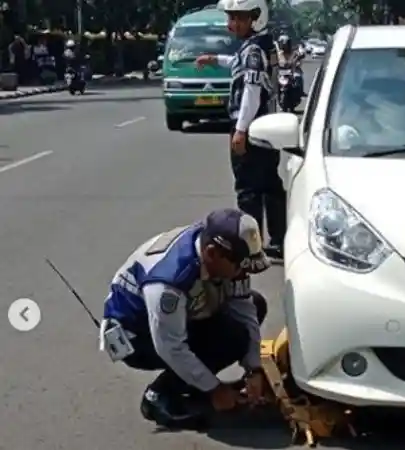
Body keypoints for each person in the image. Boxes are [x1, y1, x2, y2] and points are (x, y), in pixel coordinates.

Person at [100, 208, 271, 427]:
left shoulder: (217, 248)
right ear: (212, 253)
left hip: (179, 315)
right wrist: (215, 389)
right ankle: (158, 395)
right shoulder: (168, 284)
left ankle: (193, 382)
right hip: (136, 335)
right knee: (233, 336)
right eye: (240, 267)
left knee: (255, 306)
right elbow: (171, 347)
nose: (243, 274)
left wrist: (253, 369)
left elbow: (245, 309)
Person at [195, 0, 287, 262]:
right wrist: (215, 59)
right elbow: (241, 64)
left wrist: (241, 130)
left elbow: (251, 91)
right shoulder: (262, 45)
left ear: (255, 18)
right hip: (266, 129)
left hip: (252, 128)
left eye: (238, 18)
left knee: (248, 191)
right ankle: (279, 241)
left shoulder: (253, 50)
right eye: (231, 17)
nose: (231, 24)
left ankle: (251, 249)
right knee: (270, 186)